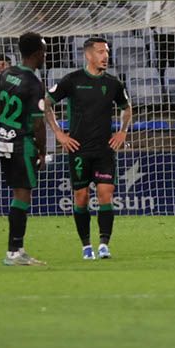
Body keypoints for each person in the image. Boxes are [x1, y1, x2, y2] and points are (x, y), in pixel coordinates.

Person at [46, 37, 132, 260]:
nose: (105, 56)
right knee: (81, 197)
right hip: (79, 150)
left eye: (107, 52)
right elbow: (46, 103)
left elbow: (127, 109)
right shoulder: (72, 80)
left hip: (104, 150)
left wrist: (122, 131)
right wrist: (59, 134)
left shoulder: (114, 83)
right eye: (101, 52)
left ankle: (104, 244)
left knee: (106, 194)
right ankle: (86, 246)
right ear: (88, 55)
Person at [0, 32, 49, 266]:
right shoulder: (34, 83)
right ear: (37, 53)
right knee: (22, 195)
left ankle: (16, 249)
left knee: (20, 194)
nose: (45, 55)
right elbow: (38, 123)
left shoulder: (6, 74)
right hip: (22, 144)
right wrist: (42, 150)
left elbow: (0, 108)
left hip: (4, 141)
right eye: (44, 51)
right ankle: (13, 251)